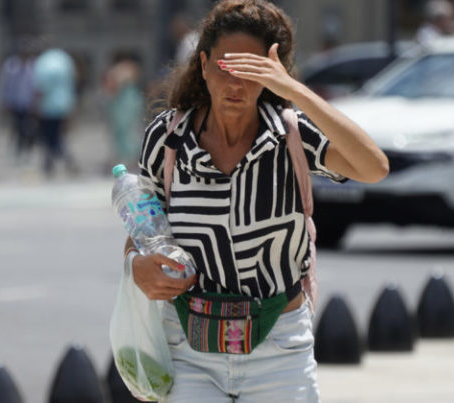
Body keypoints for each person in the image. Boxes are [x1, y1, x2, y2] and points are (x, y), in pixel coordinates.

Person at [121, 1, 389, 401]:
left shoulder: (290, 136)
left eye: (253, 71)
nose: (237, 84)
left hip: (279, 350)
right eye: (228, 66)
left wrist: (295, 91)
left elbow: (374, 167)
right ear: (204, 63)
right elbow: (143, 227)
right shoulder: (168, 138)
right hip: (188, 349)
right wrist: (135, 266)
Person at [32, 46, 79, 177]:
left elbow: (41, 86)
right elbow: (72, 82)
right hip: (64, 104)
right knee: (58, 135)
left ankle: (52, 162)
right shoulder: (64, 59)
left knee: (49, 136)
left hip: (48, 106)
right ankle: (61, 161)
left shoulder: (42, 62)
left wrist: (35, 105)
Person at [102, 52, 145, 170]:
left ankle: (127, 158)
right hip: (131, 101)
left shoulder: (117, 70)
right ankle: (132, 157)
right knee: (130, 130)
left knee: (124, 131)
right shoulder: (131, 68)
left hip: (123, 103)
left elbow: (112, 87)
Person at [0, 40, 37, 161]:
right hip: (15, 102)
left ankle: (27, 149)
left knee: (29, 128)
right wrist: (4, 100)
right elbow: (5, 84)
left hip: (29, 103)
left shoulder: (34, 66)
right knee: (17, 127)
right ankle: (17, 150)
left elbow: (36, 86)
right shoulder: (11, 65)